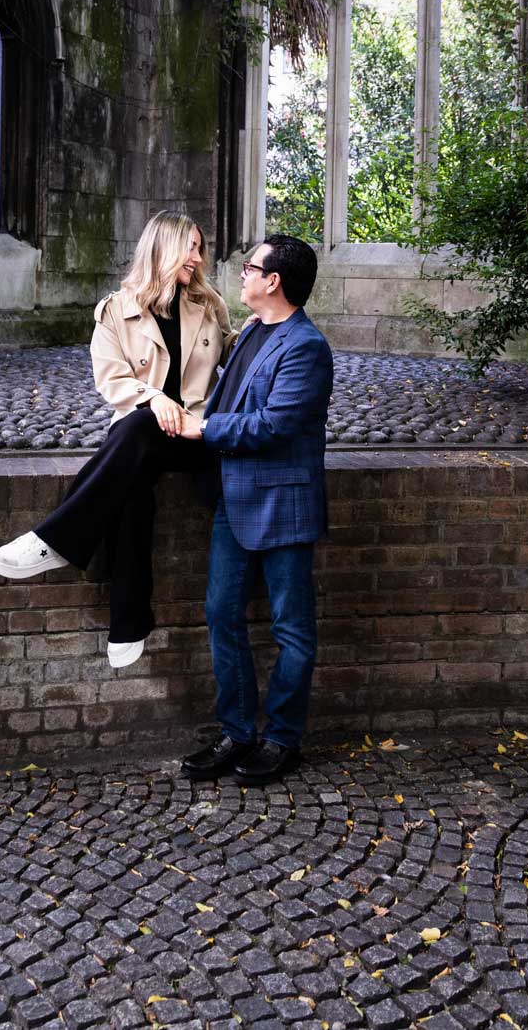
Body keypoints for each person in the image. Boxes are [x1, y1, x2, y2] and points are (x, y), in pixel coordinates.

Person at [0, 211, 232, 669]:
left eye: (200, 248)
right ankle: (128, 625)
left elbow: (237, 362)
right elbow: (111, 379)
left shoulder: (209, 305)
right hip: (143, 433)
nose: (199, 259)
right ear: (164, 249)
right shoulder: (115, 311)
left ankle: (55, 540)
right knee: (132, 480)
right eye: (191, 248)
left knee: (133, 435)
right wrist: (153, 398)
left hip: (196, 435)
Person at [177, 234, 334, 786]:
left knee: (292, 630)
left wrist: (206, 429)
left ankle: (282, 739)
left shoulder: (306, 346)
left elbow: (276, 424)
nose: (240, 274)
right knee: (222, 616)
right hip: (233, 501)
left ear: (274, 281)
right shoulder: (248, 332)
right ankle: (236, 731)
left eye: (250, 267)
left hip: (284, 504)